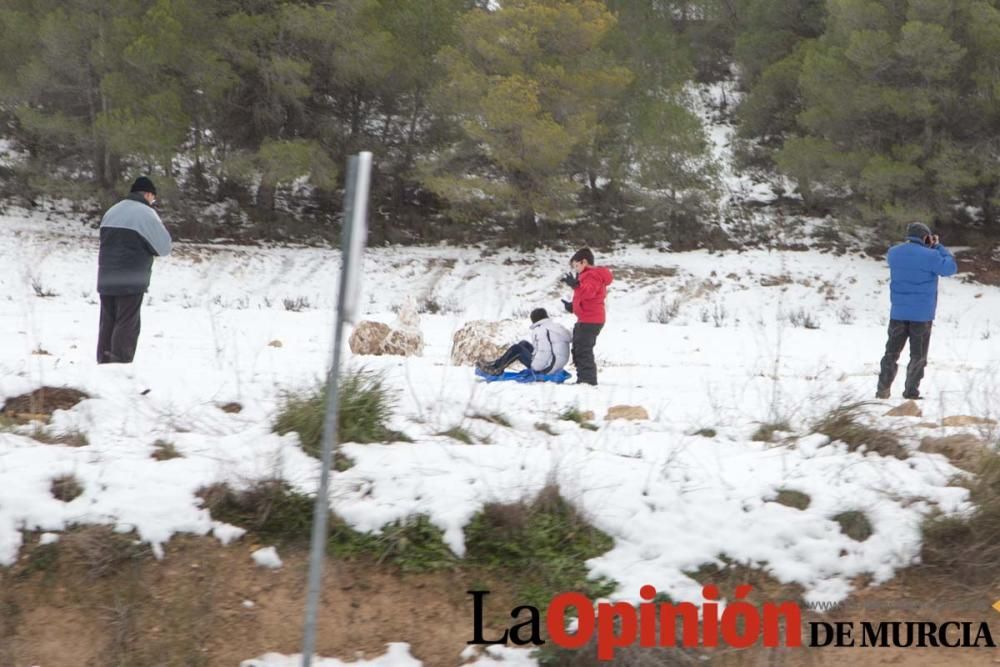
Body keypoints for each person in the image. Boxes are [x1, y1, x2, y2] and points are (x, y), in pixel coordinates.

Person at [876, 222, 957, 400]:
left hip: (898, 313)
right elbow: (950, 268)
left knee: (891, 353)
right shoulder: (932, 255)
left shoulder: (893, 253)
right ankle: (911, 392)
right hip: (921, 315)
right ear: (925, 237)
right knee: (918, 355)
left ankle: (882, 389)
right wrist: (938, 246)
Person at [96, 176, 172, 364]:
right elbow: (164, 247)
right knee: (127, 323)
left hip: (106, 277)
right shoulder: (146, 214)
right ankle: (119, 366)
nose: (153, 202)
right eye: (153, 198)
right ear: (147, 194)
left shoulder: (112, 211)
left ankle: (103, 364)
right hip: (131, 279)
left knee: (108, 322)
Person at [560, 247, 613, 386]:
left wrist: (576, 285)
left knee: (583, 349)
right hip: (588, 318)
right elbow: (587, 298)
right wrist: (572, 307)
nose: (576, 269)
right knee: (578, 348)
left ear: (584, 262)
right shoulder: (587, 276)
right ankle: (583, 378)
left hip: (591, 319)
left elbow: (588, 292)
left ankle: (587, 381)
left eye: (576, 265)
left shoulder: (591, 275)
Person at [477, 308, 572, 376]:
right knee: (523, 344)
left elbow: (544, 351)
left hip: (547, 368)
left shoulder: (541, 330)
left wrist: (536, 368)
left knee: (517, 349)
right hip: (556, 364)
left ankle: (496, 369)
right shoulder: (555, 326)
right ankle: (496, 363)